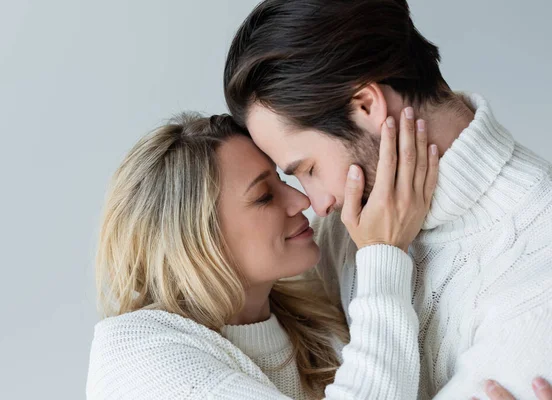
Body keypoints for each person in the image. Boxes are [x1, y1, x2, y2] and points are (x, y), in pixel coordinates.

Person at [223, 0, 552, 399]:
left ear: (366, 106)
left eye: (308, 169)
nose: (317, 204)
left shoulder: (538, 273)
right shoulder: (342, 230)